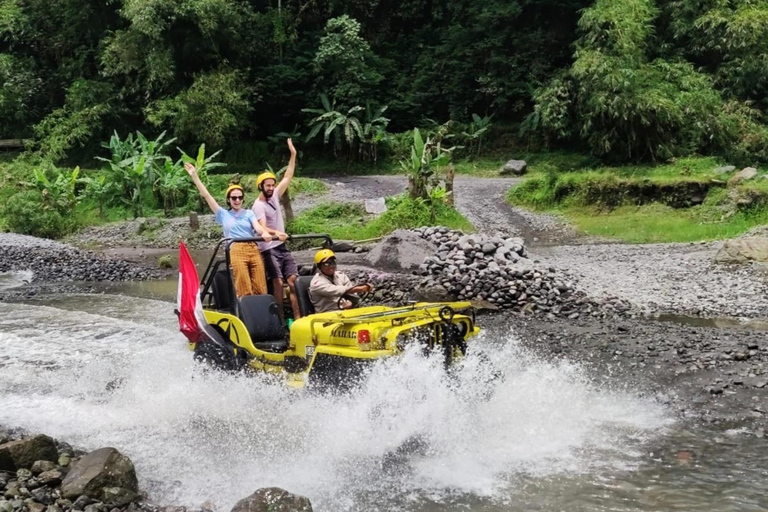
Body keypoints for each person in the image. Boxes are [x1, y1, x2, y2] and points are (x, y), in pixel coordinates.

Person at [185, 162, 279, 298]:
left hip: (252, 247)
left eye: (240, 197)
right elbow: (207, 196)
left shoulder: (248, 213)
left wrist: (264, 232)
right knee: (243, 286)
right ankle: (245, 312)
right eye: (234, 198)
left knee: (260, 286)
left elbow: (257, 226)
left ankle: (260, 313)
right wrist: (195, 176)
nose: (237, 200)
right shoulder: (223, 214)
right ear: (228, 200)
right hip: (236, 249)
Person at [252, 138, 300, 320]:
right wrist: (276, 233)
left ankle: (298, 317)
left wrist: (293, 154)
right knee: (278, 282)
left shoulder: (274, 197)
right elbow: (262, 228)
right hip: (268, 249)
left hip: (281, 247)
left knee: (293, 281)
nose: (271, 188)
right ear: (261, 187)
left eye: (273, 185)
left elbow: (287, 176)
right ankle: (279, 318)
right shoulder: (258, 206)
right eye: (268, 186)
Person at [308, 249, 373, 313]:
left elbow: (352, 294)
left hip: (344, 311)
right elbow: (337, 290)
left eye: (333, 263)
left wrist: (351, 301)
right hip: (326, 314)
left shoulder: (341, 276)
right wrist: (360, 289)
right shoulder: (317, 283)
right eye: (326, 264)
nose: (331, 266)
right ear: (319, 266)